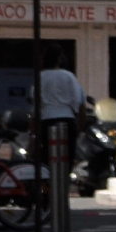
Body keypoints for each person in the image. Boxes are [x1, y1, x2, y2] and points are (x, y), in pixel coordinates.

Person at [38, 44, 85, 176]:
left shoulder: (41, 77)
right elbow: (77, 101)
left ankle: (49, 188)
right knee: (66, 158)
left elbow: (35, 102)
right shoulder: (69, 76)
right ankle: (63, 188)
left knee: (47, 157)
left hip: (46, 120)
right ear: (59, 59)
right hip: (67, 120)